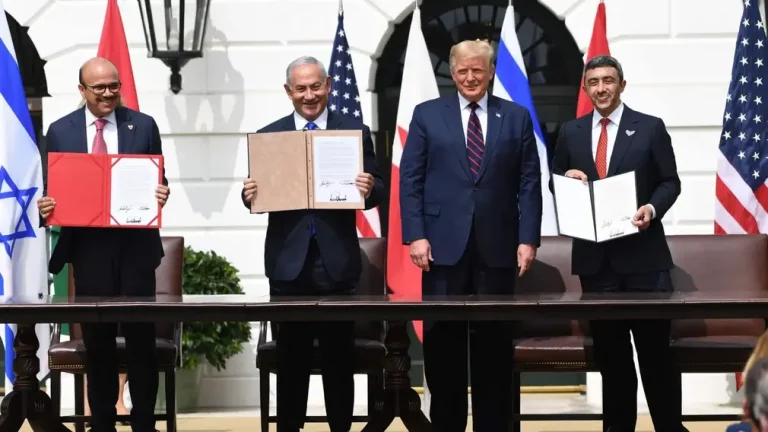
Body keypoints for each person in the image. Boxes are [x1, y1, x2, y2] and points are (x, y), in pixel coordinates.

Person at [399, 39, 542, 431]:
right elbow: (410, 178)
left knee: (493, 349)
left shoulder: (515, 117)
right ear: (452, 72)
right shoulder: (428, 115)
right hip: (441, 250)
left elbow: (529, 182)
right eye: (462, 71)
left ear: (491, 71)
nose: (470, 78)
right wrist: (415, 235)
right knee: (444, 351)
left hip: (498, 250)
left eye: (477, 70)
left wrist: (528, 238)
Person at [241, 55, 385, 432]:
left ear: (329, 85)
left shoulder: (352, 129)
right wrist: (249, 194)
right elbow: (258, 197)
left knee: (340, 362)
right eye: (301, 88)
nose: (309, 95)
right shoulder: (268, 135)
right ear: (288, 91)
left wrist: (369, 189)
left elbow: (378, 189)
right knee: (291, 364)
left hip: (336, 263)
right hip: (288, 265)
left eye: (316, 86)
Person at [549, 55, 684, 432]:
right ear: (585, 88)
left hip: (645, 261)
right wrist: (568, 179)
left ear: (622, 85)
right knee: (613, 360)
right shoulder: (571, 132)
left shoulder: (650, 128)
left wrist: (653, 208)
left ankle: (669, 428)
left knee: (656, 358)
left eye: (608, 80)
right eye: (594, 82)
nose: (601, 88)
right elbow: (555, 181)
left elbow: (670, 181)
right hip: (597, 263)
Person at [38, 57, 169, 432]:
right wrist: (47, 205)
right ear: (82, 90)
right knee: (98, 346)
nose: (108, 93)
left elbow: (161, 178)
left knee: (141, 344)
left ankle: (144, 422)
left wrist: (162, 192)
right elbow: (53, 189)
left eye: (114, 85)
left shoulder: (143, 125)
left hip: (136, 252)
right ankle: (103, 423)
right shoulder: (60, 130)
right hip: (89, 251)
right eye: (99, 88)